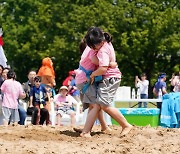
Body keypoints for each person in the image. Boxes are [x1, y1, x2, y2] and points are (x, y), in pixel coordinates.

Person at [75, 27, 132, 137]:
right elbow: (100, 64)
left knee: (102, 105)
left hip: (109, 78)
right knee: (98, 104)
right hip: (107, 78)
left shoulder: (102, 50)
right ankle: (99, 128)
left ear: (100, 42)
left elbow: (102, 68)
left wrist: (93, 74)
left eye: (93, 46)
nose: (92, 49)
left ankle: (125, 125)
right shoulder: (105, 45)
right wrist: (111, 63)